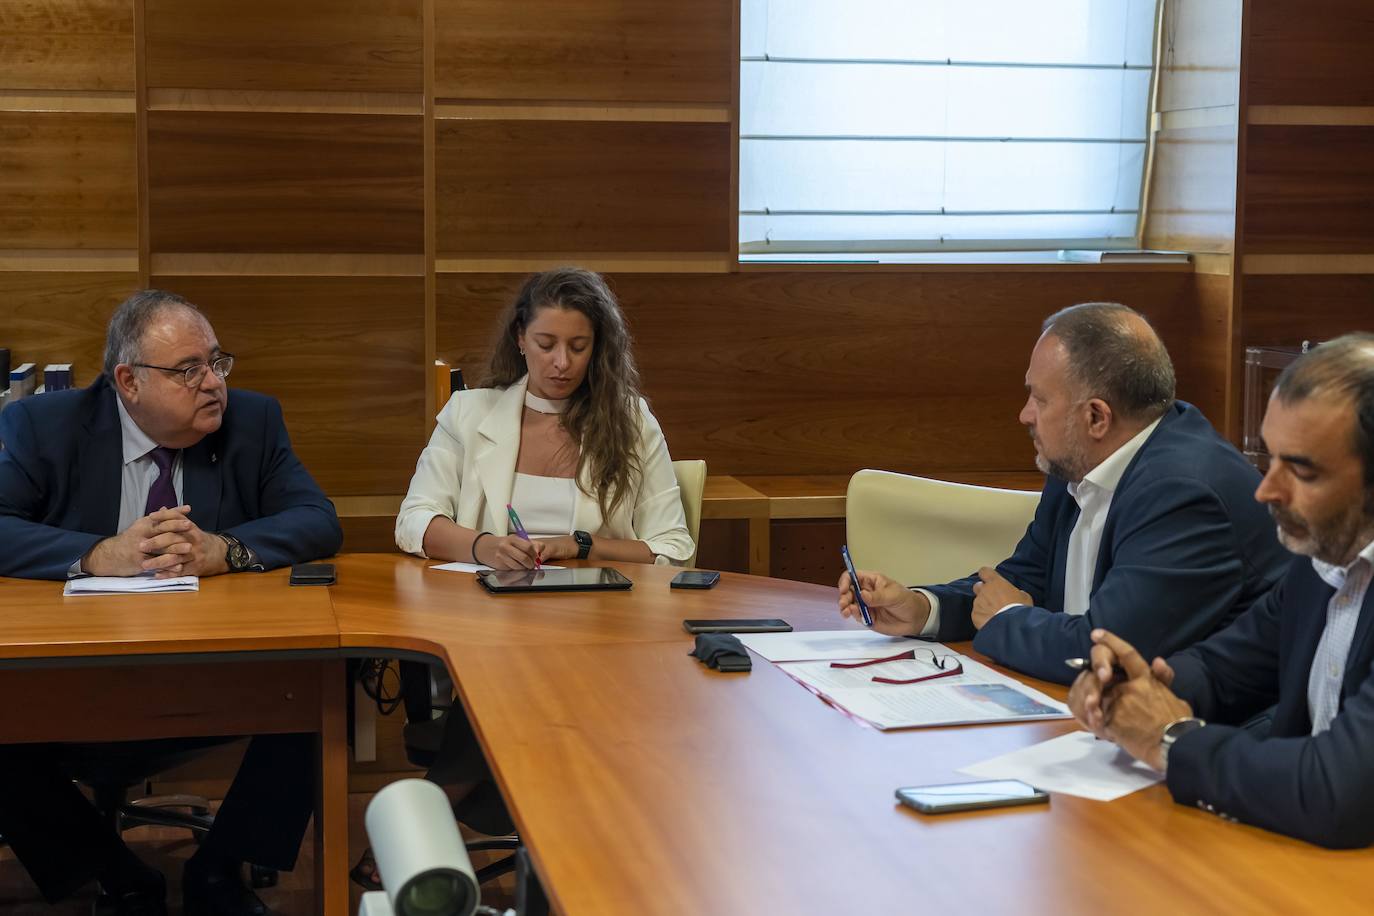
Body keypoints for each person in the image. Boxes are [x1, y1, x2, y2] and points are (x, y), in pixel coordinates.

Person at [0, 289, 343, 915]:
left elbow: (319, 521)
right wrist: (98, 553)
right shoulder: (43, 426)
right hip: (71, 679)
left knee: (323, 684)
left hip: (209, 673)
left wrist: (224, 550)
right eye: (189, 370)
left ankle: (220, 869)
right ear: (127, 381)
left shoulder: (252, 422)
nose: (213, 383)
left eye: (216, 362)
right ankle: (112, 870)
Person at [838, 302, 1289, 683]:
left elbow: (1104, 651)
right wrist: (922, 609)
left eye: (1040, 399)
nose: (1024, 415)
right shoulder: (1078, 460)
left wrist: (1006, 620)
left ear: (1096, 417)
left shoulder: (1184, 495)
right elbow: (1024, 582)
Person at [1068, 333, 1374, 848]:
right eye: (1270, 458)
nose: (1266, 490)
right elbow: (1227, 666)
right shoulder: (1322, 558)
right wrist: (1132, 687)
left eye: (1300, 470)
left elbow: (1337, 789)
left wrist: (1171, 739)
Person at [396, 266, 693, 567]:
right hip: (488, 605)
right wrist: (485, 547)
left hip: (599, 607)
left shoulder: (632, 420)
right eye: (546, 345)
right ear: (521, 338)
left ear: (597, 347)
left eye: (578, 347)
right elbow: (413, 521)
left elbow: (673, 547)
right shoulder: (466, 413)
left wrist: (580, 546)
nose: (562, 362)